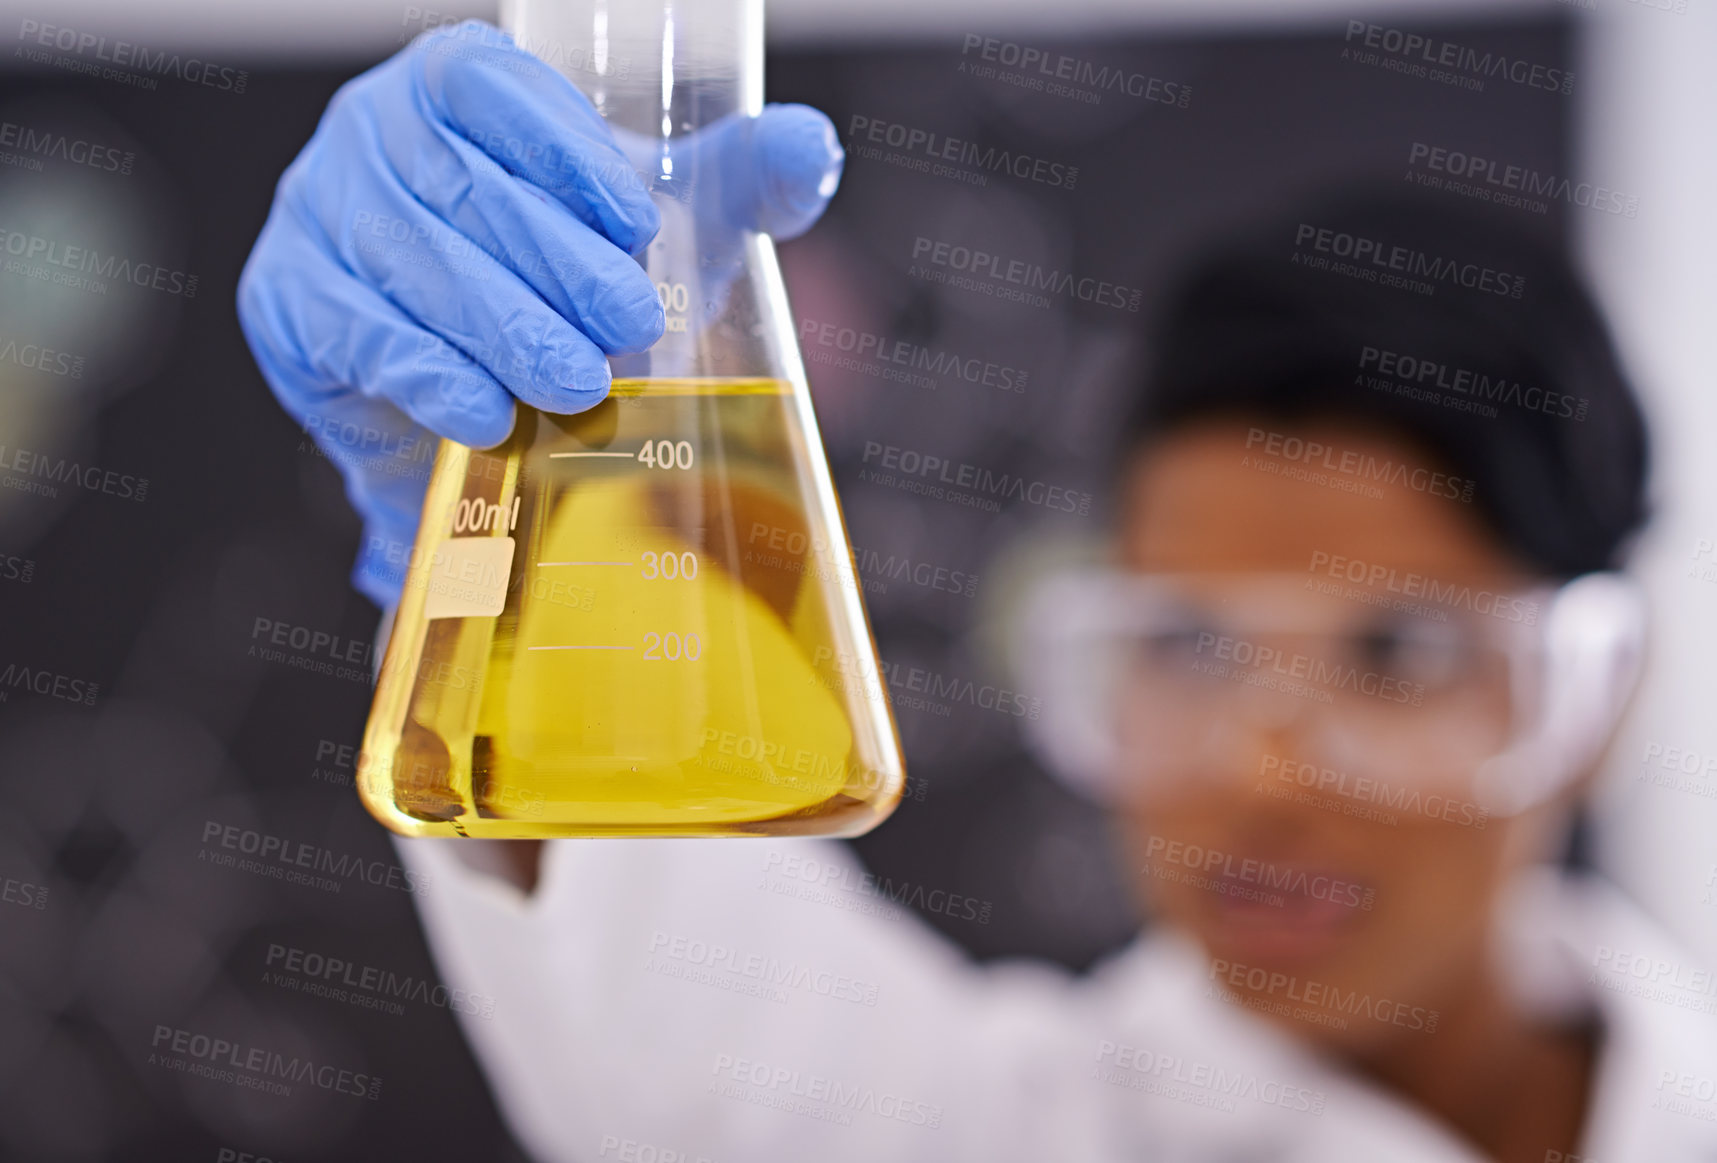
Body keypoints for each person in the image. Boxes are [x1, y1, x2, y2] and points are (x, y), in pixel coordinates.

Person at [238, 21, 1717, 1163]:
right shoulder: (976, 1129)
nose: (1263, 777)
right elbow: (673, 1021)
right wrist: (506, 538)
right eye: (1186, 647)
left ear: (1593, 693)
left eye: (1392, 654)